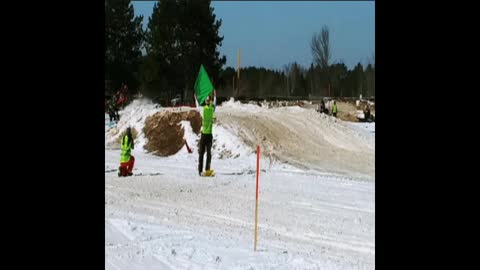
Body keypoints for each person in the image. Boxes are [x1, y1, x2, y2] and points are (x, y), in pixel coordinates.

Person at [194, 90, 217, 176]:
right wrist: (215, 96)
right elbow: (215, 103)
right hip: (208, 135)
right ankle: (206, 169)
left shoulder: (203, 109)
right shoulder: (212, 109)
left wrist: (196, 98)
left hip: (204, 135)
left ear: (205, 102)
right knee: (208, 154)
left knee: (202, 154)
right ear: (209, 101)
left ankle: (201, 171)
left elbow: (197, 106)